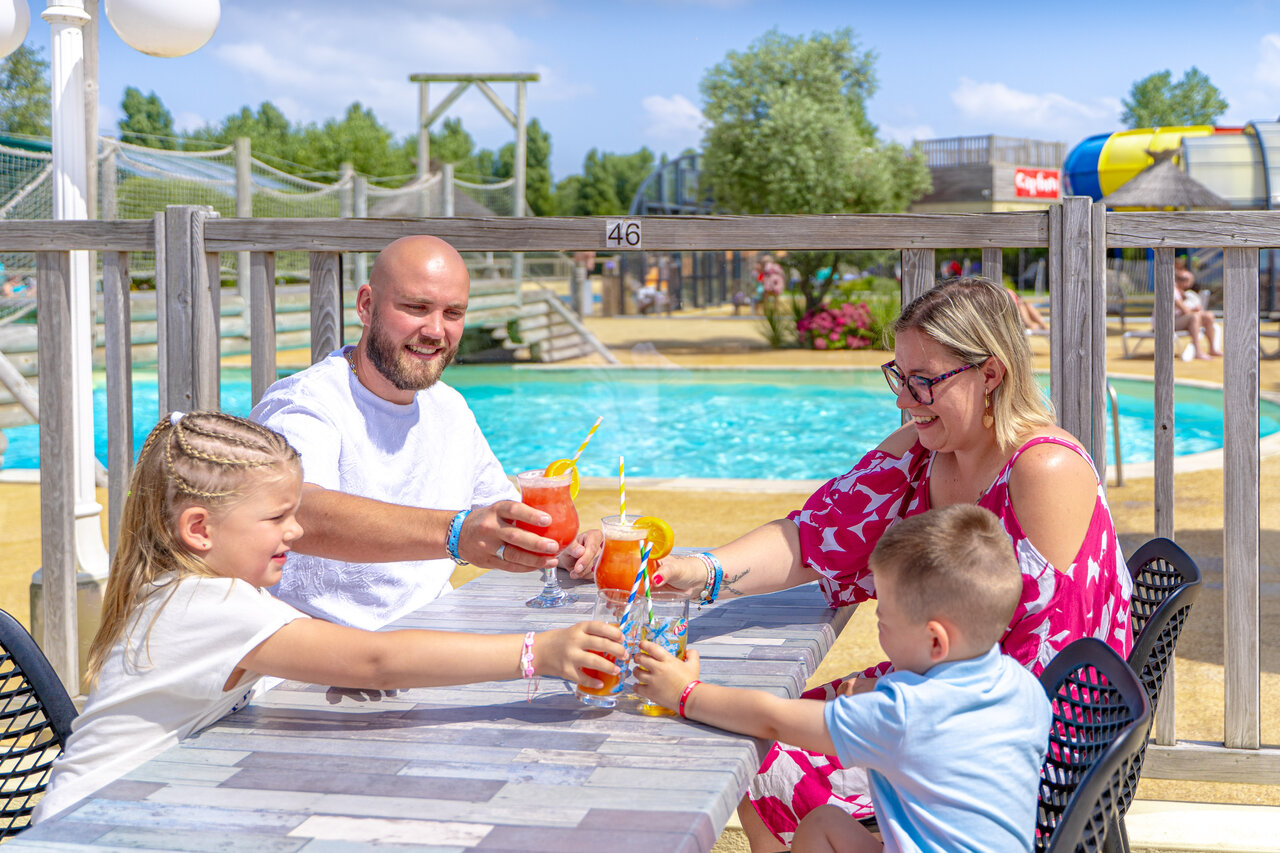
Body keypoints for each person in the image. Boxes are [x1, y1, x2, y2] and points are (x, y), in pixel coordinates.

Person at [644, 276, 1133, 849]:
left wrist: (895, 695)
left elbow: (1045, 658)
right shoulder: (923, 446)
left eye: (924, 381)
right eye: (899, 377)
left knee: (766, 750)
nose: (905, 399)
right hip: (944, 692)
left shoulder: (1043, 470)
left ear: (991, 373)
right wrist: (698, 570)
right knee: (753, 738)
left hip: (1023, 748)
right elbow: (812, 534)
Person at [31, 412, 625, 824]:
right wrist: (538, 653)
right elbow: (377, 657)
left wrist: (328, 664)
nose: (296, 531)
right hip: (90, 827)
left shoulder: (198, 589)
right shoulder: (208, 603)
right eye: (277, 518)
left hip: (131, 809)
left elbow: (334, 652)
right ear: (199, 529)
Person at [635, 504, 1052, 853]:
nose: (878, 629)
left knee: (808, 815)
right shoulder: (1023, 687)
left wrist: (683, 692)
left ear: (935, 641)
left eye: (883, 619)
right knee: (827, 824)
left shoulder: (900, 717)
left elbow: (774, 720)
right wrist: (878, 692)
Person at [251, 235, 600, 632]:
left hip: (430, 634)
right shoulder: (305, 403)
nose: (436, 330)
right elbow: (297, 511)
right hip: (318, 655)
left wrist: (569, 548)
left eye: (453, 313)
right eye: (416, 308)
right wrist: (455, 534)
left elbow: (497, 510)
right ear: (367, 306)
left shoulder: (448, 407)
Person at [1174, 268, 1220, 359]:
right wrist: (1196, 311)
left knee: (1209, 315)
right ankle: (1198, 351)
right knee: (1194, 317)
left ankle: (1212, 349)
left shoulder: (1186, 293)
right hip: (1168, 322)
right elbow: (1185, 310)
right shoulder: (1173, 291)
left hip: (1180, 319)